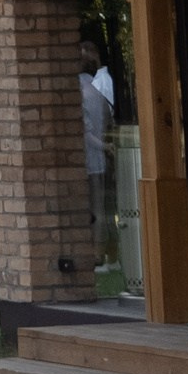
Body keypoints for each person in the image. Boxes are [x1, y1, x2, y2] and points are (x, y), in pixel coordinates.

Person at [80, 43, 116, 266]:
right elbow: (108, 120)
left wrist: (103, 147)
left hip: (88, 157)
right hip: (100, 159)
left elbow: (86, 132)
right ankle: (109, 252)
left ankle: (98, 253)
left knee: (94, 209)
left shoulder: (80, 93)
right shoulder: (95, 91)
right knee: (103, 207)